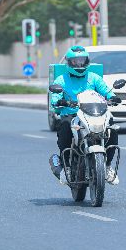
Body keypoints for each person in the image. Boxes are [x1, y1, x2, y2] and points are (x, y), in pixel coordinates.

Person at [48, 46, 121, 185]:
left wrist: (113, 97)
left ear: (87, 61)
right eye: (75, 62)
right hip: (72, 114)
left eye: (82, 61)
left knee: (111, 127)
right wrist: (61, 101)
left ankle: (107, 166)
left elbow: (106, 91)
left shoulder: (94, 78)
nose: (79, 65)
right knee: (64, 126)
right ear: (69, 63)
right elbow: (55, 98)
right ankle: (66, 167)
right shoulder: (61, 80)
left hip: (92, 113)